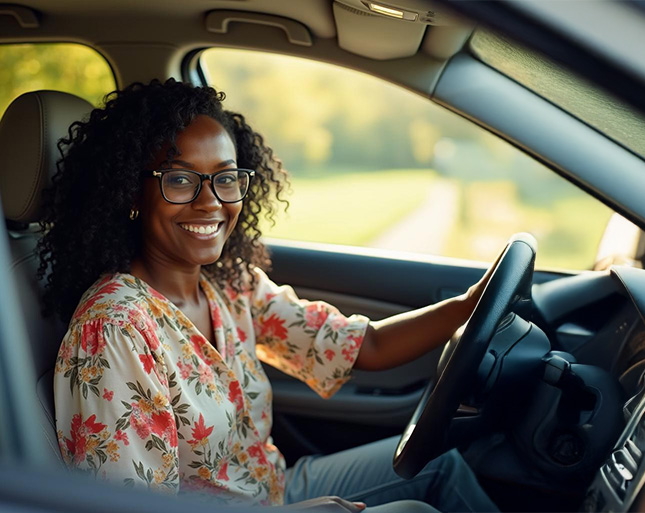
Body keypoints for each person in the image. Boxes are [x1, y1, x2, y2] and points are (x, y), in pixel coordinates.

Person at [41, 79, 500, 513]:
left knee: (440, 461)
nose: (211, 202)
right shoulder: (116, 331)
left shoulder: (230, 283)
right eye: (180, 180)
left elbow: (366, 345)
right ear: (131, 193)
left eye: (225, 178)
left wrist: (472, 305)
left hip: (272, 490)